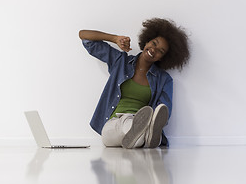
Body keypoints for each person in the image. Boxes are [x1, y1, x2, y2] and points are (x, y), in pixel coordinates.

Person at [79, 18, 190, 148]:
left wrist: (153, 119)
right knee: (128, 124)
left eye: (160, 51)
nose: (154, 50)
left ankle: (142, 134)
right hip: (113, 125)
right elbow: (85, 37)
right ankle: (147, 135)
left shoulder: (164, 79)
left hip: (142, 121)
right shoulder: (120, 62)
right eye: (154, 43)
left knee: (138, 129)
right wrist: (114, 38)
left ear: (163, 58)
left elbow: (164, 112)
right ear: (147, 41)